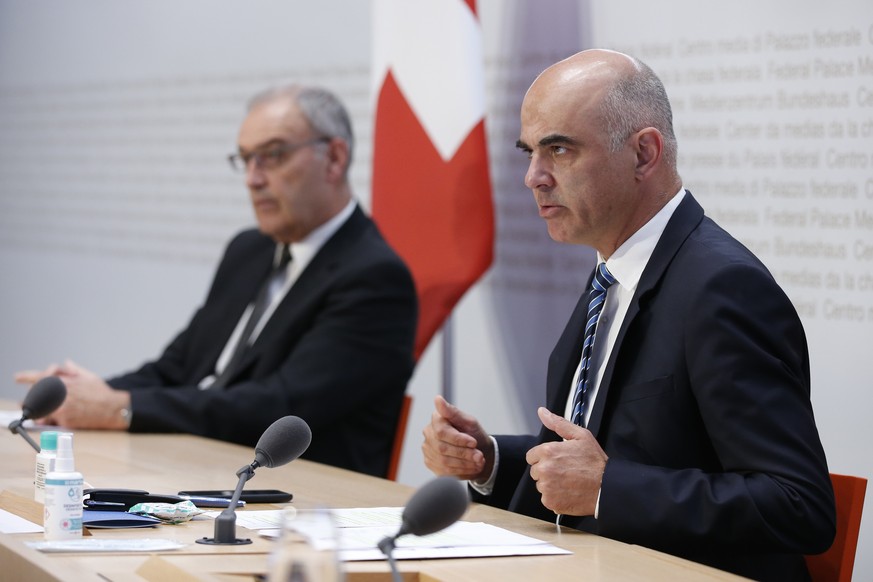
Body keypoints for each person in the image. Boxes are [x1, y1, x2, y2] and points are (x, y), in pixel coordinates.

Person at [421, 49, 835, 580]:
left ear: (644, 153)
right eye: (529, 152)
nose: (533, 177)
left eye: (559, 149)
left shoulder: (722, 287)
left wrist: (606, 490)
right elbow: (618, 447)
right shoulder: (614, 272)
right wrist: (492, 458)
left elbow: (798, 506)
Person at [16, 84, 418, 478]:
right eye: (245, 159)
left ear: (334, 158)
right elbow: (178, 366)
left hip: (298, 500)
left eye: (272, 156)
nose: (252, 179)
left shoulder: (375, 278)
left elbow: (277, 406)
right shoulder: (250, 249)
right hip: (197, 466)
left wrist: (122, 407)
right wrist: (89, 394)